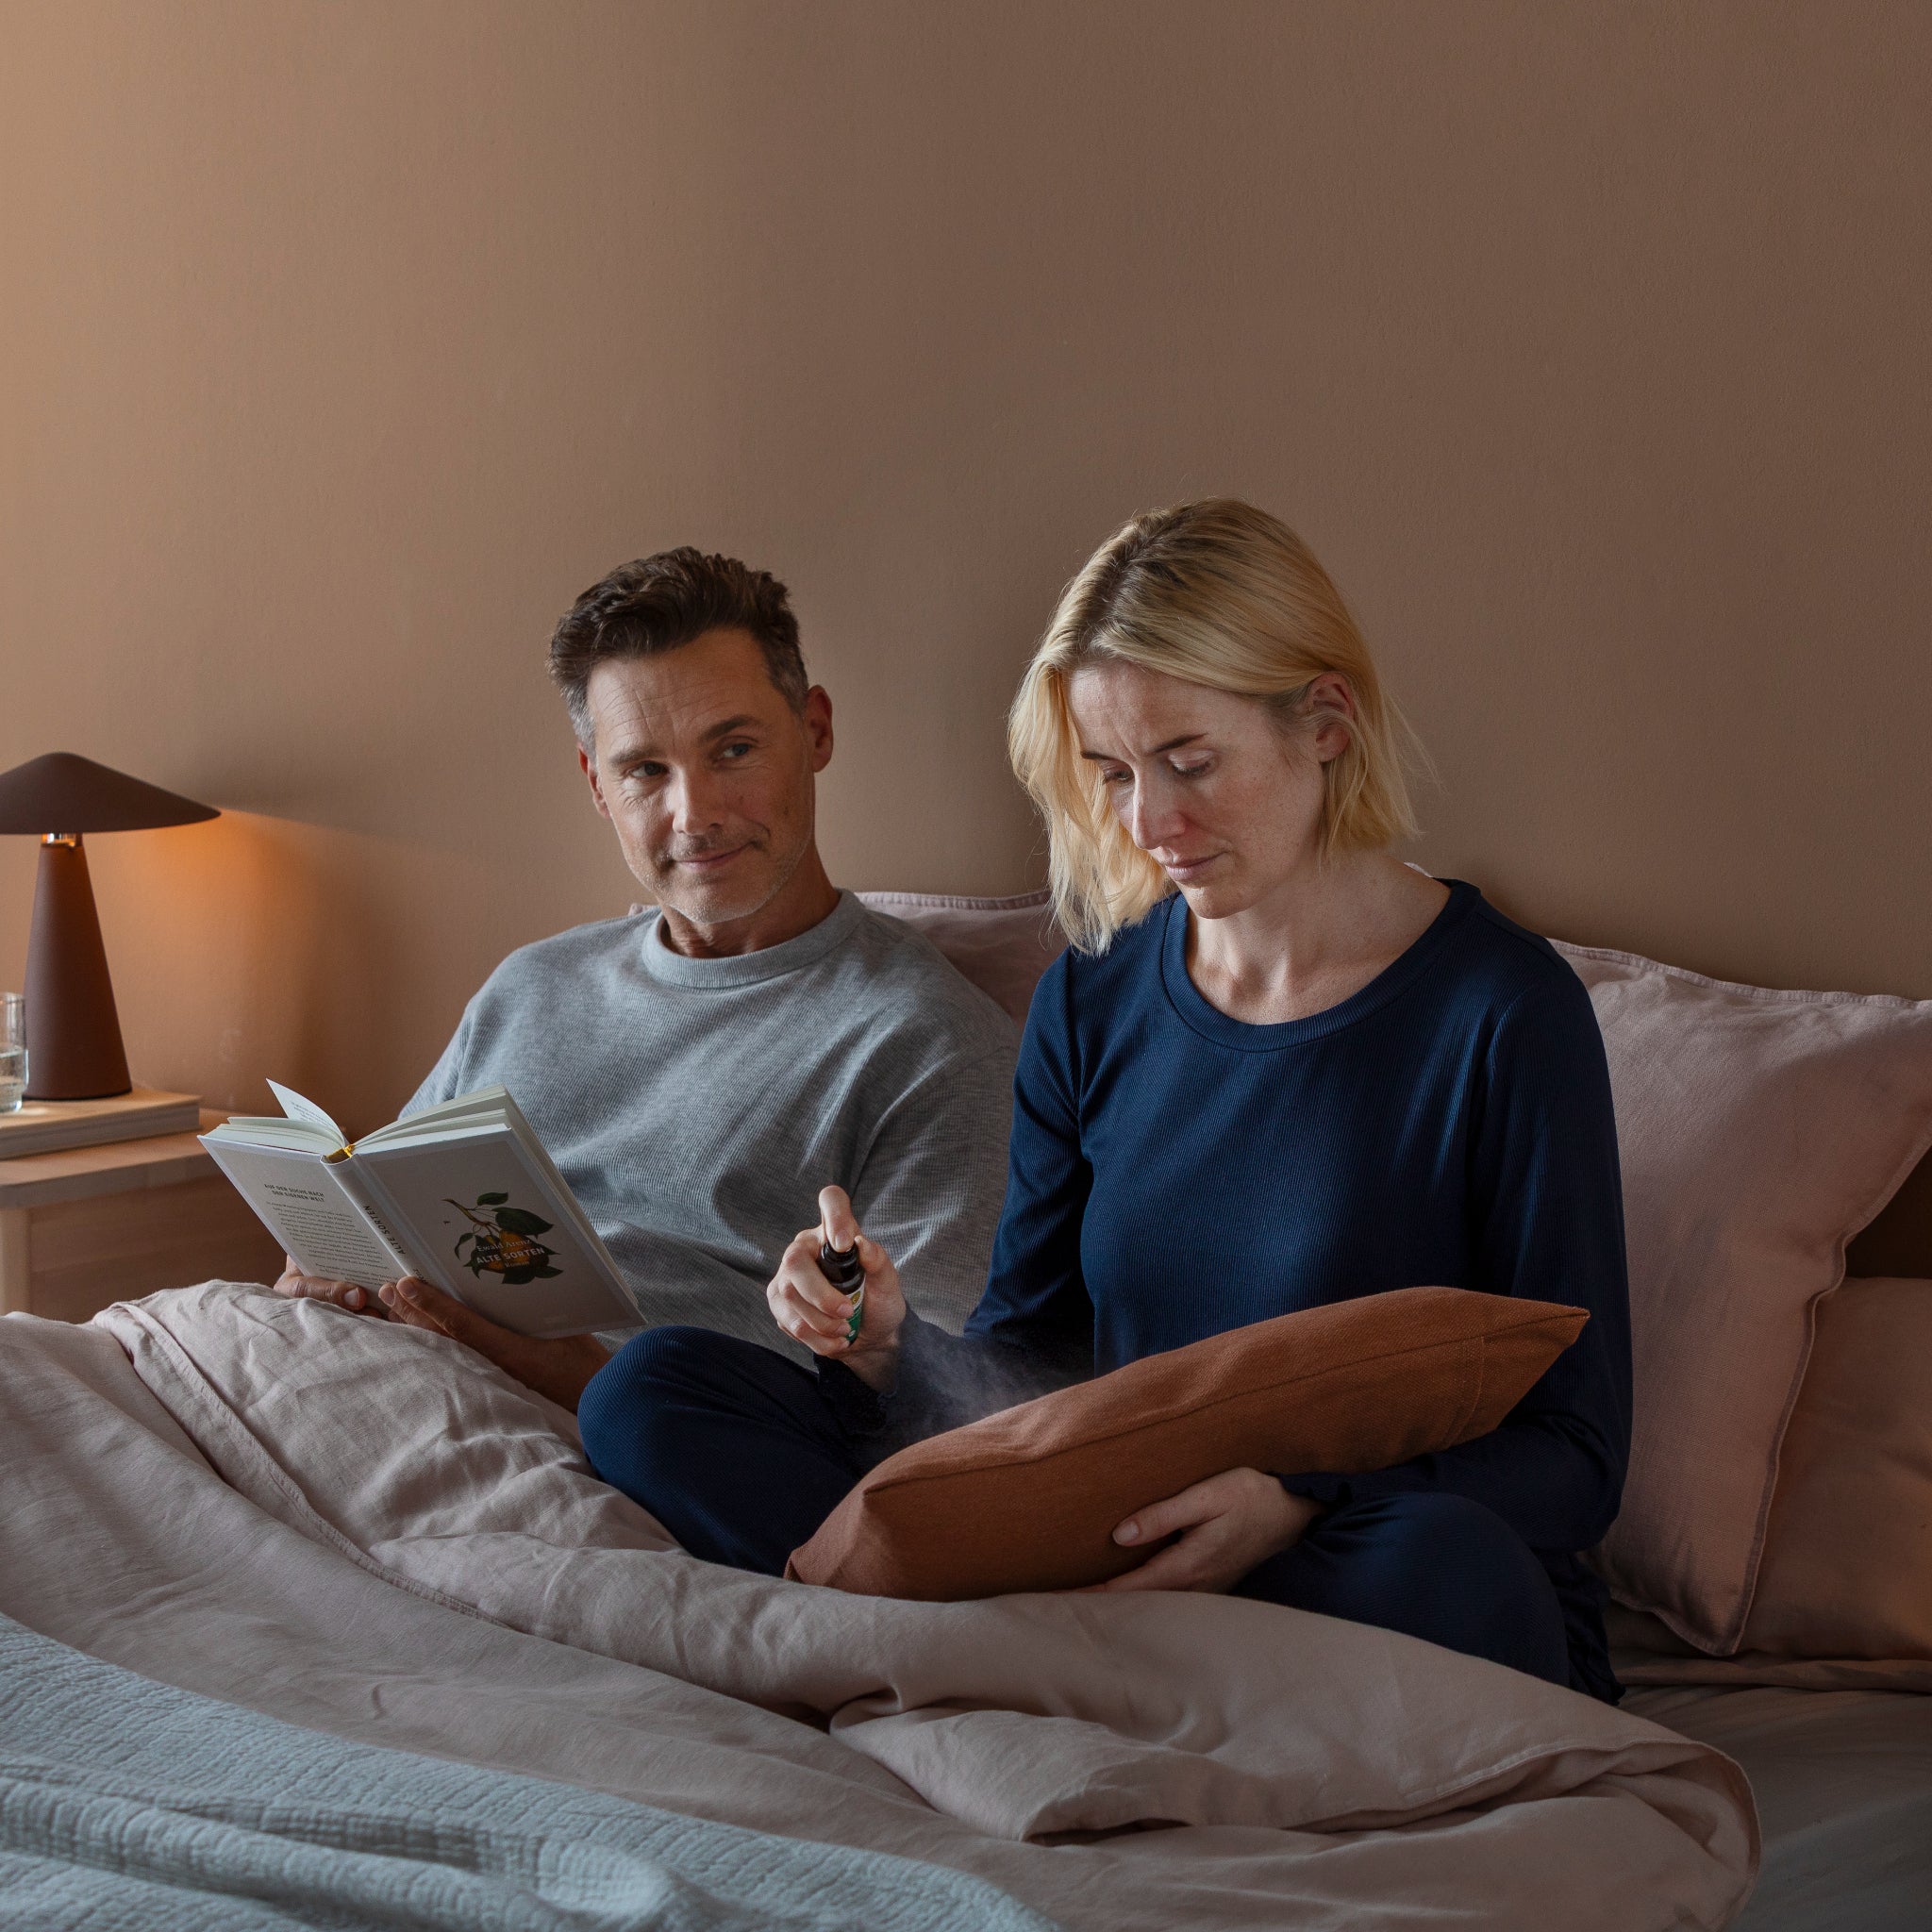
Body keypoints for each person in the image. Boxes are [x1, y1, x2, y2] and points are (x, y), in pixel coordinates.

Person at [577, 501, 1633, 1705]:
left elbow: (1576, 1459)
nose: (1147, 823)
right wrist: (885, 1349)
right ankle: (1070, 1665)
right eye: (1113, 773)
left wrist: (1293, 1505)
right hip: (1115, 1540)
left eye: (1189, 762)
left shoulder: (1503, 1013)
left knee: (1449, 1570)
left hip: (1335, 1559)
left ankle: (999, 1664)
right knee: (651, 1390)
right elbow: (1034, 1366)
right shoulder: (1095, 991)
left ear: (1325, 723)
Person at [274, 547, 1018, 1410]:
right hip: (352, 1372)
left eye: (733, 749)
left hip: (595, 1438)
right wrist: (325, 1277)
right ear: (598, 784)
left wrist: (546, 1369)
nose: (693, 815)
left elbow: (918, 1408)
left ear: (814, 730)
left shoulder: (933, 1043)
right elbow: (382, 1226)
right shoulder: (530, 987)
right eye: (645, 771)